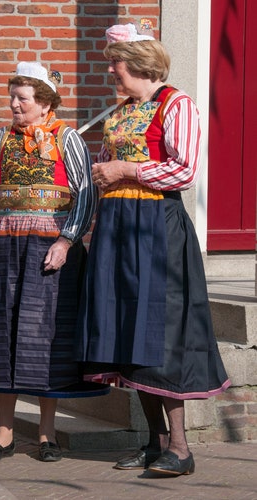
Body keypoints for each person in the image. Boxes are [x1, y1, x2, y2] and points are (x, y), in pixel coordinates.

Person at [75, 20, 231, 476]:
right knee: (127, 329)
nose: (110, 71)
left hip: (156, 226)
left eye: (115, 62)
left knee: (160, 330)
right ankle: (154, 443)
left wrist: (125, 167)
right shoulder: (122, 111)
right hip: (117, 226)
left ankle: (180, 449)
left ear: (140, 63)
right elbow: (104, 169)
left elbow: (184, 171)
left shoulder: (178, 105)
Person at [0, 61, 98, 463]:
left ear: (43, 102)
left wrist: (66, 240)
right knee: (2, 333)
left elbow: (85, 195)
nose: (14, 105)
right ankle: (3, 434)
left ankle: (46, 433)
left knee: (45, 340)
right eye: (12, 98)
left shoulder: (68, 138)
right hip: (5, 250)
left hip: (49, 252)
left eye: (22, 99)